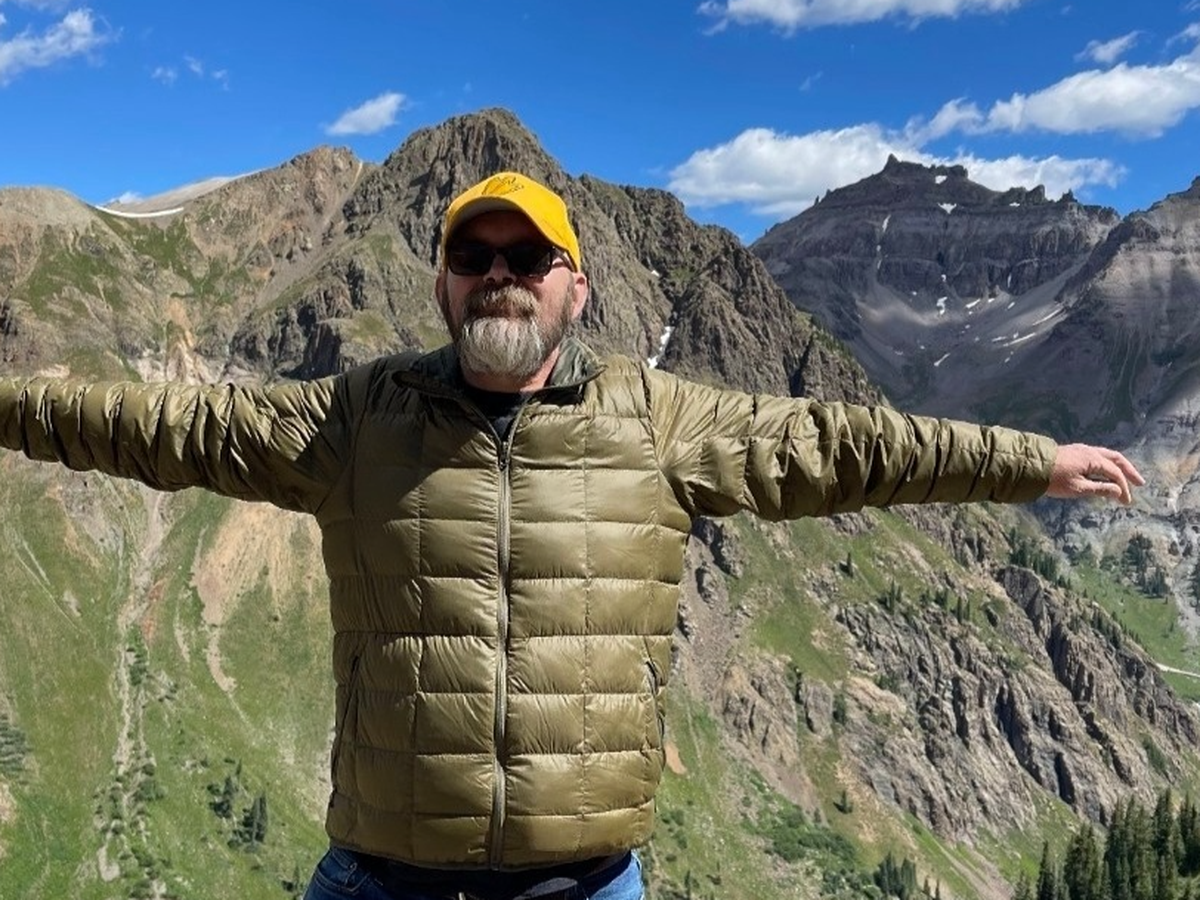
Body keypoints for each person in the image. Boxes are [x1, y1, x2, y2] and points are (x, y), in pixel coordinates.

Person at [0, 171, 1143, 900]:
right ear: (443, 290)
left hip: (586, 888)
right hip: (382, 881)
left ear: (576, 290)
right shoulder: (357, 419)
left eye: (527, 259)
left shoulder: (659, 422)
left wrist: (1029, 462)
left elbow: (843, 446)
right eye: (472, 259)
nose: (498, 277)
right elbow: (166, 427)